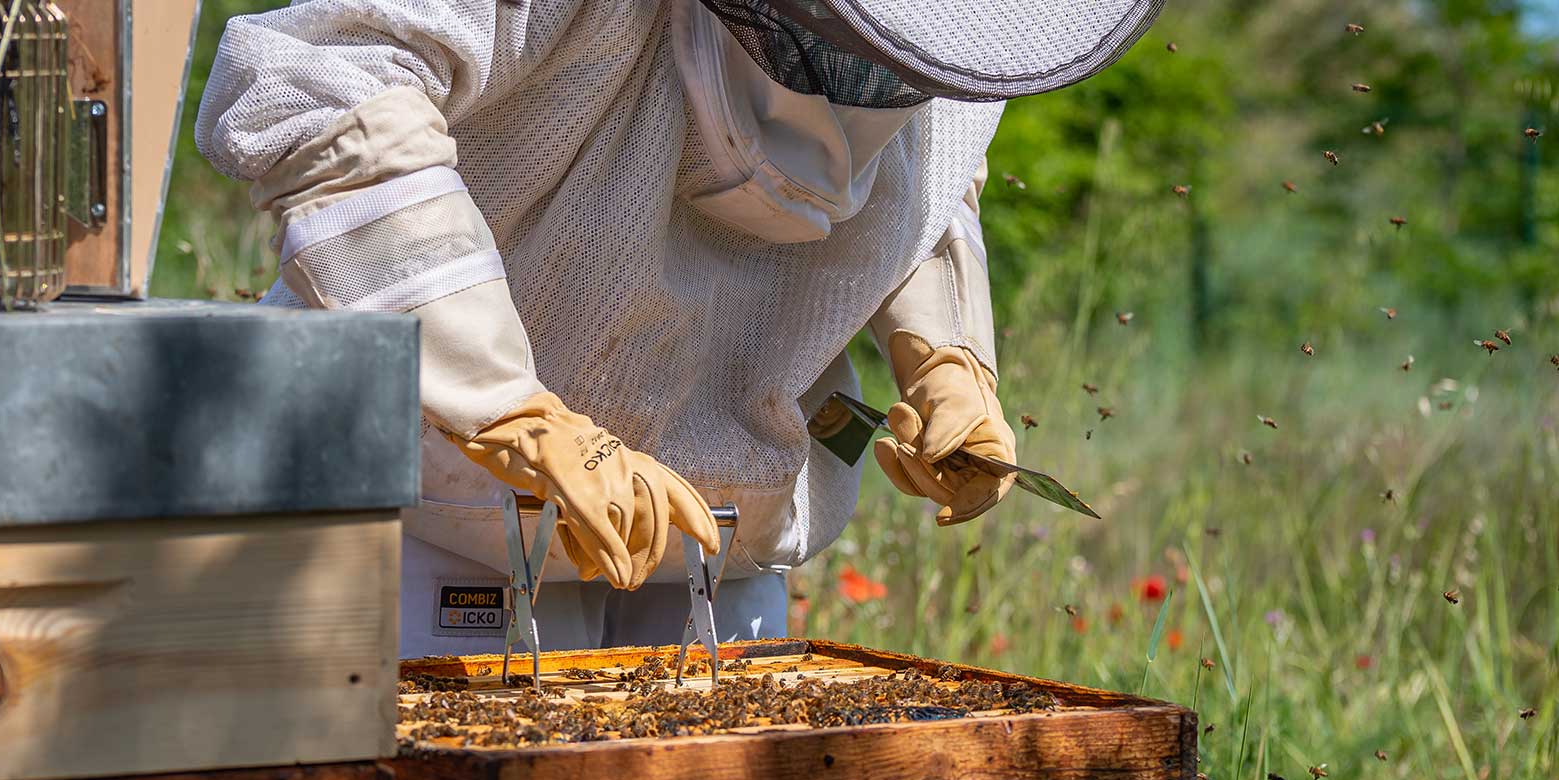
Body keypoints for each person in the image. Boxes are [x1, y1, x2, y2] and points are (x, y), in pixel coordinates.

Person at [195, 0, 1162, 658]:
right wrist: (501, 402)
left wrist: (945, 359)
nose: (878, 77)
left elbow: (926, 169)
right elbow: (319, 82)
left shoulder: (950, 33)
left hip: (725, 526)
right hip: (444, 502)